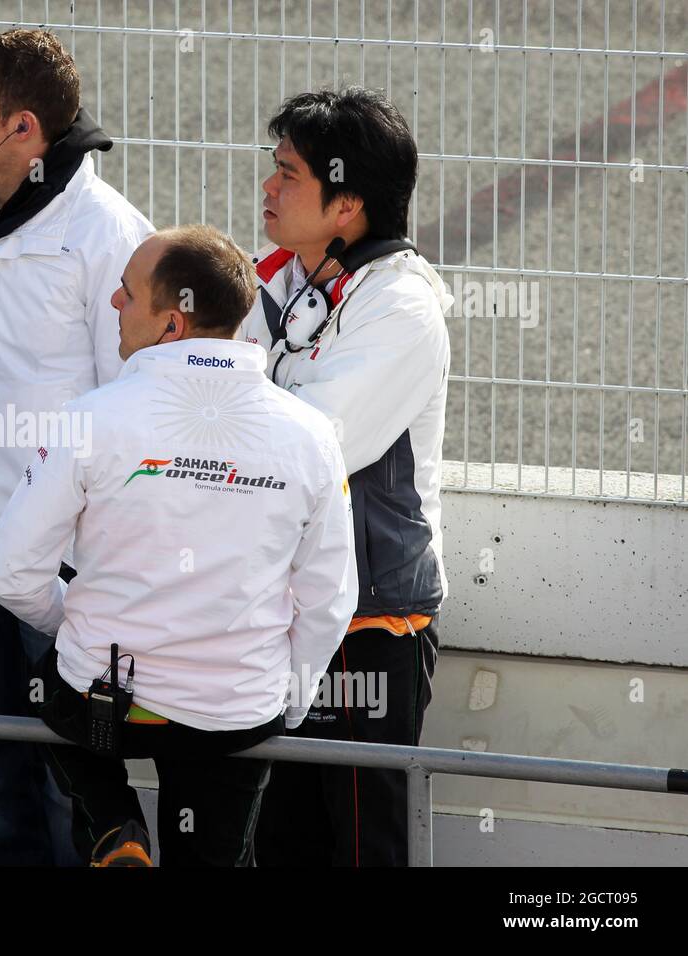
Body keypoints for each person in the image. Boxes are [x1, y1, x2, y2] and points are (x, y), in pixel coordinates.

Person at [0, 224, 357, 866]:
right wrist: (285, 702)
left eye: (128, 293)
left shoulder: (91, 419)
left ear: (172, 324)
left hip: (105, 701)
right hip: (233, 711)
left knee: (46, 691)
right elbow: (329, 599)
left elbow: (10, 573)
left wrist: (73, 621)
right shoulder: (312, 435)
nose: (113, 305)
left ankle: (115, 829)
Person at [0, 29, 154, 866]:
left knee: (73, 766)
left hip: (63, 553)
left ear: (23, 129)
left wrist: (92, 546)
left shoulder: (109, 232)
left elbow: (133, 401)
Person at [241, 87, 452, 867]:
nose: (267, 187)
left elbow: (310, 448)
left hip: (371, 625)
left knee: (363, 848)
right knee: (280, 842)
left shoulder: (401, 306)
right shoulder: (286, 281)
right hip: (286, 611)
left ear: (347, 204)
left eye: (288, 174)